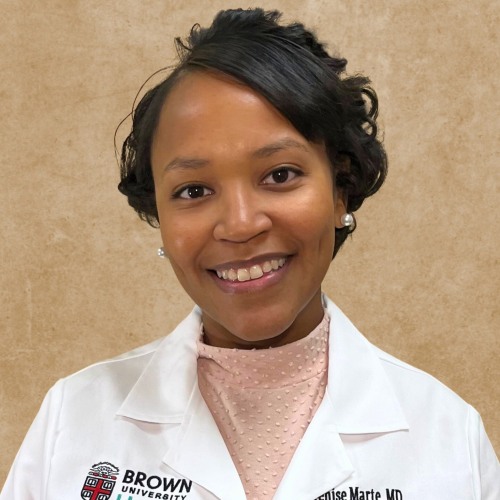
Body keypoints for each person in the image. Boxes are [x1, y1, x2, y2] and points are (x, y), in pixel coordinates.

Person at [1, 8, 498, 500]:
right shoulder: (72, 419)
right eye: (193, 190)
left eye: (279, 175)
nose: (240, 224)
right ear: (158, 213)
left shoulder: (448, 435)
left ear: (340, 189)